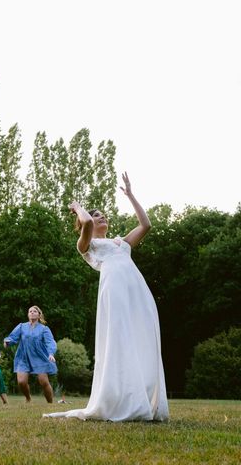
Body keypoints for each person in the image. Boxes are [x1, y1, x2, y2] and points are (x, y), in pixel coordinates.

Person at [45, 172, 169, 422]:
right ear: (82, 222)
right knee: (119, 339)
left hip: (138, 292)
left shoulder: (120, 243)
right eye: (96, 214)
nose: (101, 217)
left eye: (103, 214)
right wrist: (79, 207)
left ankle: (142, 397)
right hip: (115, 292)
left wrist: (131, 195)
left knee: (141, 339)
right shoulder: (87, 245)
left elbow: (146, 225)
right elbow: (88, 224)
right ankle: (119, 398)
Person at [3, 306, 57, 403]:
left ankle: (50, 403)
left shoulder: (44, 329)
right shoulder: (22, 326)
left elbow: (50, 342)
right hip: (23, 357)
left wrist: (51, 353)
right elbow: (12, 337)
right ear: (28, 314)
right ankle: (28, 398)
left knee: (43, 381)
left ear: (39, 314)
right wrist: (7, 341)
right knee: (21, 382)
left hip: (39, 357)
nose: (32, 313)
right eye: (30, 311)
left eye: (34, 311)